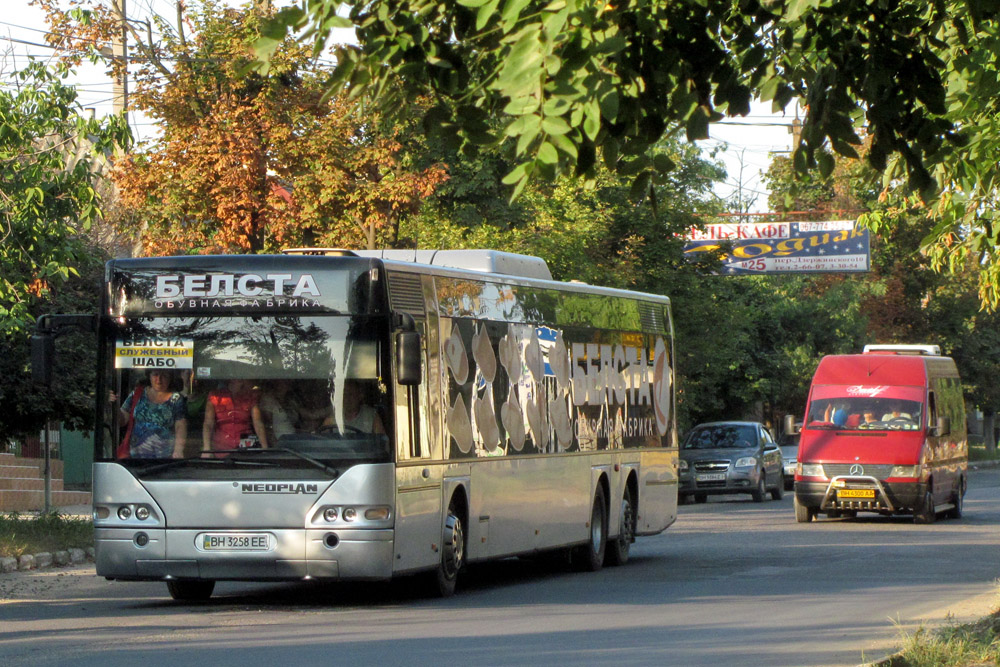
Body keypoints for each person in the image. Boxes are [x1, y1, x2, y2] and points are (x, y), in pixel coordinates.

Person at [114, 369, 187, 459]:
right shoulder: (137, 394)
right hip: (135, 458)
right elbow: (122, 420)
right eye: (155, 375)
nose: (159, 380)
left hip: (165, 459)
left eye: (164, 376)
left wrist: (178, 451)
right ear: (149, 376)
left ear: (170, 378)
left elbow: (180, 425)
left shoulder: (176, 399)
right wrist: (114, 406)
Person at [202, 378, 269, 456]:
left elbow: (258, 423)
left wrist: (265, 449)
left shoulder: (250, 397)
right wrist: (206, 449)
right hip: (222, 446)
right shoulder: (215, 396)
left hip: (246, 447)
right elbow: (208, 424)